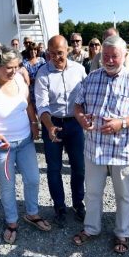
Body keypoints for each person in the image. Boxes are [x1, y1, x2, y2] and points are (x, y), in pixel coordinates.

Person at [73, 36, 129, 253]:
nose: (109, 60)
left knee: (124, 195)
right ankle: (91, 228)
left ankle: (122, 233)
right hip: (94, 148)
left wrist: (122, 123)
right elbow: (77, 105)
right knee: (92, 193)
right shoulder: (91, 78)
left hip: (122, 150)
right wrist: (81, 119)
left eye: (114, 56)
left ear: (124, 55)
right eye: (105, 56)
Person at [0, 46, 51, 244]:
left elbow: (28, 103)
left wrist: (34, 123)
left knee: (33, 179)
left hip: (25, 141)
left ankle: (32, 213)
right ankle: (12, 222)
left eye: (16, 66)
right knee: (8, 186)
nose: (14, 71)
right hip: (1, 147)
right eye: (9, 67)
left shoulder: (18, 79)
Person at [34, 35, 88, 224]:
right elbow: (42, 105)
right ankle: (59, 207)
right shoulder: (43, 73)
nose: (57, 57)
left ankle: (78, 203)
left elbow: (87, 96)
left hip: (74, 123)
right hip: (53, 122)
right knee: (54, 168)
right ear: (47, 53)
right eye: (52, 53)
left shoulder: (79, 70)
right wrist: (49, 126)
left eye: (60, 53)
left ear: (67, 51)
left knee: (79, 167)